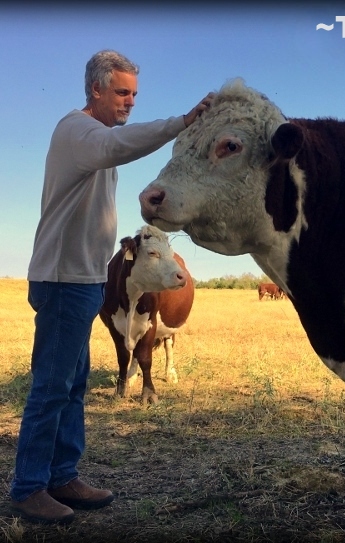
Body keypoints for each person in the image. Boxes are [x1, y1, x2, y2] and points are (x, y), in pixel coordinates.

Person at [9, 50, 214, 525]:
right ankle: (27, 488)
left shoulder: (95, 137)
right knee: (51, 386)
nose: (130, 103)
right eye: (122, 92)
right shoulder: (78, 131)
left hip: (83, 279)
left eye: (135, 95)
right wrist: (181, 122)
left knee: (73, 384)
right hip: (63, 280)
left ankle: (62, 475)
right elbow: (119, 147)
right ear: (96, 89)